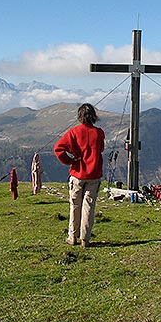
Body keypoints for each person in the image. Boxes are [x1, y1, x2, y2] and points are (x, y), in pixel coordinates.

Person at [54, 103, 105, 248]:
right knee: (89, 207)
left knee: (75, 205)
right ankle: (85, 239)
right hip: (94, 174)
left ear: (79, 116)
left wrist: (70, 161)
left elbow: (58, 149)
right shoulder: (99, 133)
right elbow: (101, 148)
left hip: (78, 174)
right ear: (93, 116)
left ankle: (72, 236)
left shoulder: (73, 132)